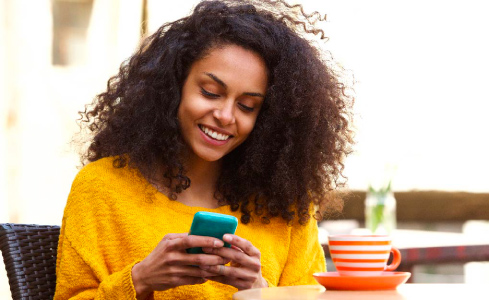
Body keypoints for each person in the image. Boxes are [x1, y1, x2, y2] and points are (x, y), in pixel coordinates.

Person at [54, 0, 353, 299]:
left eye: (247, 106)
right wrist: (140, 280)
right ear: (173, 86)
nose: (225, 115)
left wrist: (259, 292)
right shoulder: (101, 189)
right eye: (210, 92)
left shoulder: (284, 206)